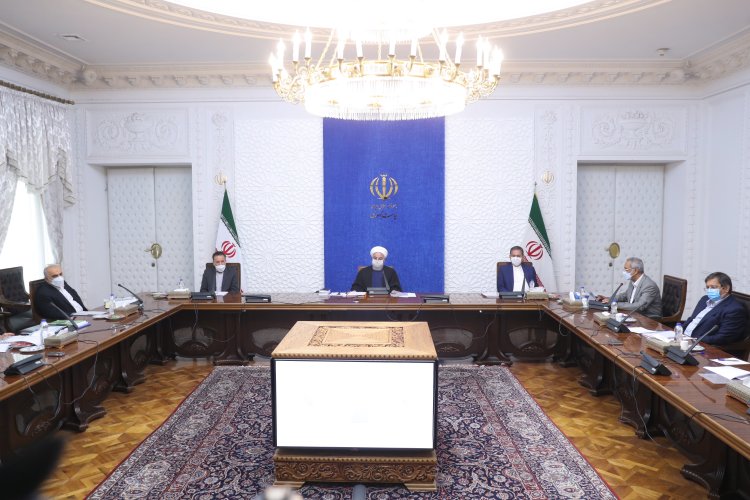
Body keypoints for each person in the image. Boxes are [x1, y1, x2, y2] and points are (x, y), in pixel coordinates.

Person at [683, 272, 748, 347]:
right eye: (707, 287)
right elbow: (692, 319)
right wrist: (679, 331)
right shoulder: (704, 299)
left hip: (701, 346)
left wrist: (695, 340)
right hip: (683, 339)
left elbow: (722, 338)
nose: (709, 290)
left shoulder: (734, 310)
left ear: (726, 288)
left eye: (713, 287)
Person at [597, 257, 662, 319]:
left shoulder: (649, 286)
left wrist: (615, 304)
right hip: (634, 315)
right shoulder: (633, 280)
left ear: (635, 271)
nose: (624, 272)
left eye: (626, 269)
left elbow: (639, 306)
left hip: (649, 320)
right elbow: (625, 295)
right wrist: (610, 299)